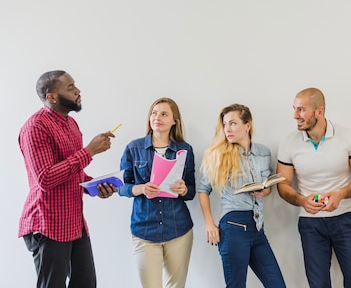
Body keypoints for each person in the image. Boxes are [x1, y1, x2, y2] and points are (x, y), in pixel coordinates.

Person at [18, 70, 117, 288]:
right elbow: (45, 178)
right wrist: (89, 151)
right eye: (70, 88)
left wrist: (94, 186)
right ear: (51, 97)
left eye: (75, 86)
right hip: (48, 223)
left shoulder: (71, 125)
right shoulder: (36, 127)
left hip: (74, 222)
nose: (78, 91)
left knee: (86, 283)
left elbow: (72, 171)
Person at [277, 88, 351, 288]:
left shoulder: (347, 136)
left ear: (319, 112)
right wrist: (302, 200)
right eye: (294, 109)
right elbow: (283, 185)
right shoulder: (289, 143)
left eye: (301, 110)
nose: (295, 115)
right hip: (311, 225)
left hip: (345, 219)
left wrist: (341, 193)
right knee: (318, 284)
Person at [197, 104, 286, 288]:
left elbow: (267, 186)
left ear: (247, 125)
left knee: (277, 285)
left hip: (258, 227)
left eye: (233, 123)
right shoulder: (217, 154)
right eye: (225, 124)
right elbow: (203, 189)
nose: (227, 129)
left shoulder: (263, 152)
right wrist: (208, 222)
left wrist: (265, 190)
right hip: (233, 227)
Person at [118, 97, 196, 288]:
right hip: (144, 230)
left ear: (174, 120)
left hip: (178, 229)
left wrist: (184, 189)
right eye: (154, 113)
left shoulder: (185, 150)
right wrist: (141, 188)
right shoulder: (133, 148)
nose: (157, 117)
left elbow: (192, 190)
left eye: (164, 114)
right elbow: (120, 187)